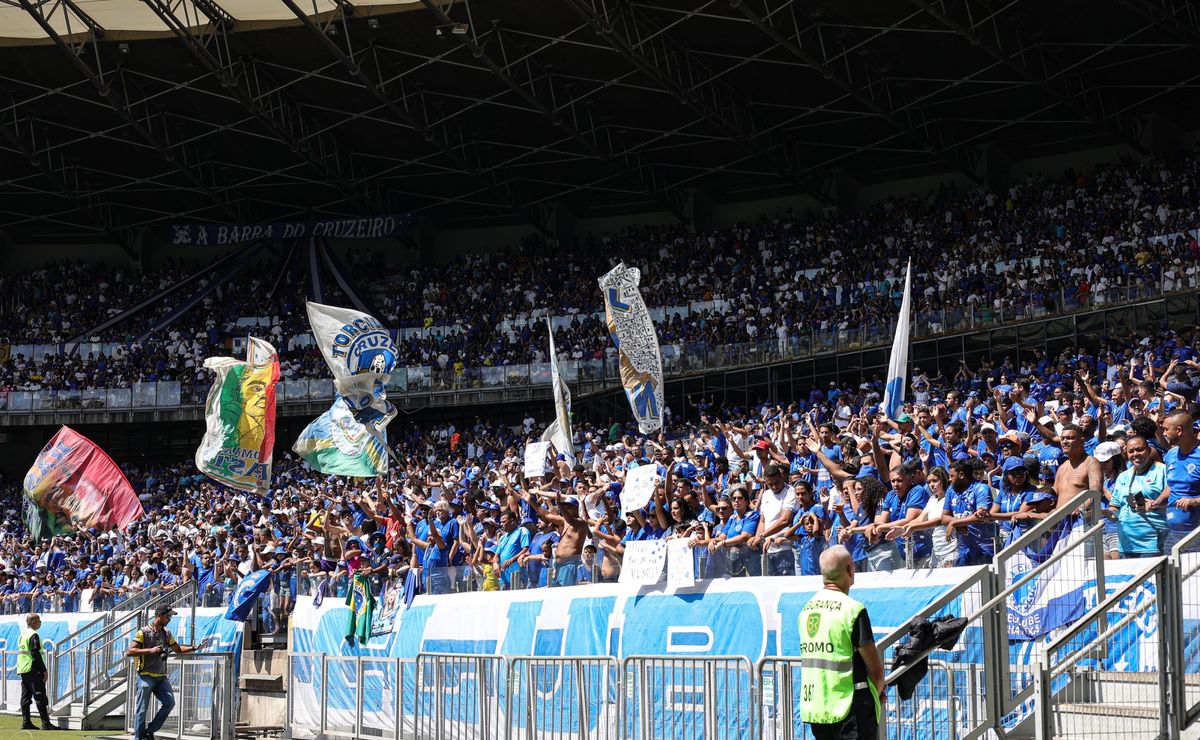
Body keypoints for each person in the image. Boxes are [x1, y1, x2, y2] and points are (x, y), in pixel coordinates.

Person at [798, 545, 885, 739]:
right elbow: (876, 669)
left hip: (818, 708)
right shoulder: (852, 610)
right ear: (849, 570)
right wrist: (876, 696)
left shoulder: (806, 610)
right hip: (850, 709)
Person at [128, 605, 210, 740]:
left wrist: (195, 647)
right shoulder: (142, 632)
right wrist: (150, 650)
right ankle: (138, 738)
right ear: (159, 614)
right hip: (145, 676)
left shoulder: (167, 633)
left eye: (170, 616)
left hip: (161, 678)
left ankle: (150, 731)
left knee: (169, 703)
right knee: (141, 710)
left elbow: (177, 649)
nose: (169, 619)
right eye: (168, 616)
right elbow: (130, 651)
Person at [17, 613, 57, 731]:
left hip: (23, 668)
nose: (40, 622)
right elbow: (35, 653)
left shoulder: (23, 634)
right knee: (40, 695)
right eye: (39, 620)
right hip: (32, 667)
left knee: (25, 696)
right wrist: (44, 670)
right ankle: (45, 723)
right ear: (33, 621)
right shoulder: (33, 635)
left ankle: (26, 722)